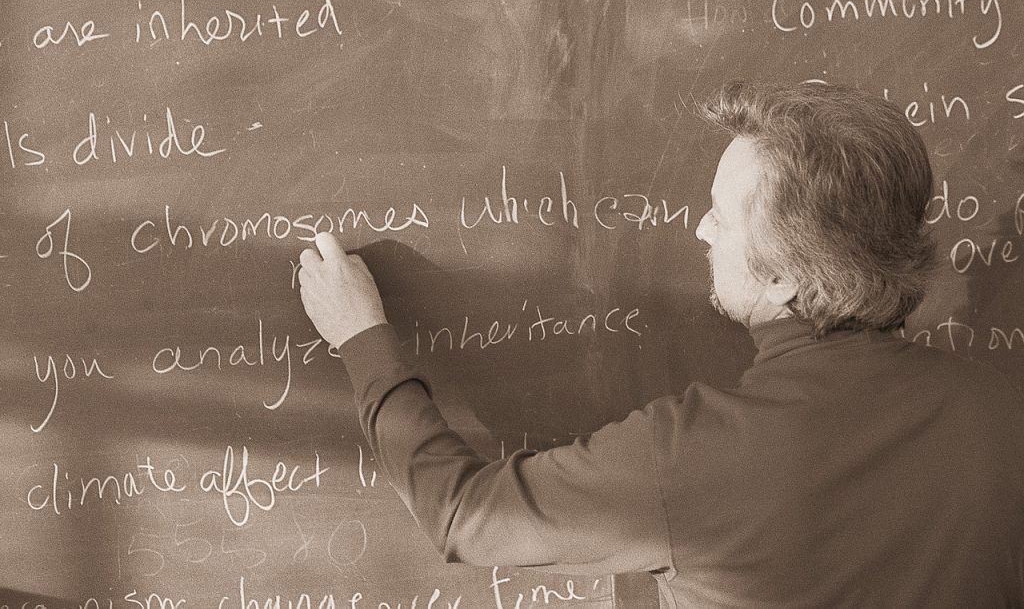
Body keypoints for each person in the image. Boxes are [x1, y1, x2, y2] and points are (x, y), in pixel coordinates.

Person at [298, 80, 1024, 607]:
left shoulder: (693, 456)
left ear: (781, 279)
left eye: (719, 218)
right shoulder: (1001, 414)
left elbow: (464, 516)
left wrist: (363, 339)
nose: (701, 232)